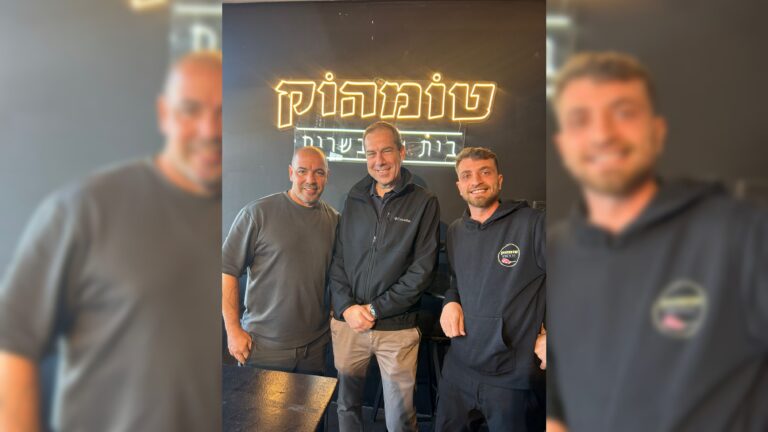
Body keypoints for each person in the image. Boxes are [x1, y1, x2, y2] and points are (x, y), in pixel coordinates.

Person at [0, 51, 223, 431]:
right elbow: (13, 343)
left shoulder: (228, 214)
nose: (210, 130)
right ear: (164, 114)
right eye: (190, 110)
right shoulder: (84, 209)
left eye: (222, 114)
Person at [548, 51, 768, 432]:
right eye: (580, 119)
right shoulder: (555, 251)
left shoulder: (742, 235)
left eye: (624, 112)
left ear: (658, 130)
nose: (602, 134)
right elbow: (556, 409)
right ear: (563, 144)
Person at [328, 121, 440, 432]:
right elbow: (338, 259)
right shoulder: (354, 197)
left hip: (397, 328)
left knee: (400, 418)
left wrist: (375, 309)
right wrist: (347, 307)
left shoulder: (424, 201)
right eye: (371, 153)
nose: (379, 161)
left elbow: (422, 270)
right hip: (349, 324)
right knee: (346, 406)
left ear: (402, 152)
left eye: (386, 151)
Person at [435, 147, 546, 431]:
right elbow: (456, 282)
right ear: (459, 185)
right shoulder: (456, 231)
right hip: (459, 370)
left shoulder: (533, 224)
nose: (476, 181)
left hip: (512, 378)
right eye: (467, 175)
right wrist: (450, 301)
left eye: (485, 172)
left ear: (499, 179)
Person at [221, 146, 339, 375]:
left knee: (312, 402)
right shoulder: (257, 214)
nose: (311, 180)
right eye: (302, 171)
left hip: (315, 349)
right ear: (291, 173)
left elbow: (337, 277)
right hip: (263, 347)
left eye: (319, 172)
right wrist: (233, 330)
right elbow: (227, 271)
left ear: (327, 176)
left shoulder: (334, 221)